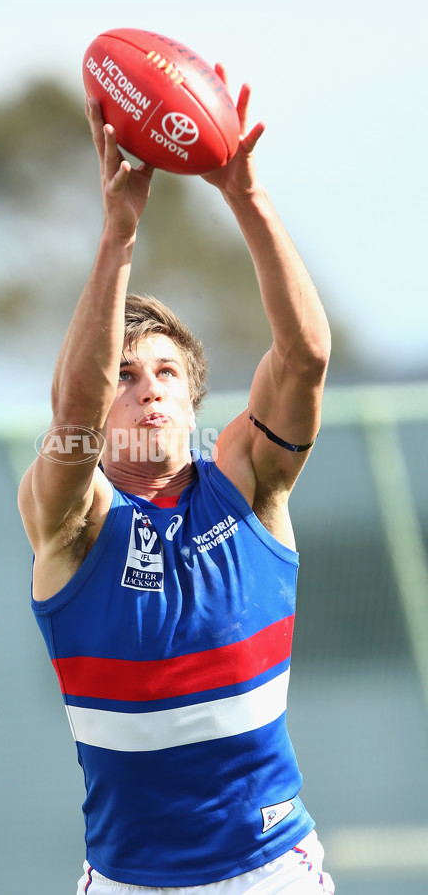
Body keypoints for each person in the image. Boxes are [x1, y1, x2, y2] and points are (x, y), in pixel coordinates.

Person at [18, 66, 335, 895]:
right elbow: (73, 408)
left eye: (163, 370)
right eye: (124, 373)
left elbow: (304, 358)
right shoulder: (71, 520)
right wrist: (118, 232)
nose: (146, 384)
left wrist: (245, 196)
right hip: (130, 881)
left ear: (193, 395)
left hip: (272, 873)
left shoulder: (251, 484)